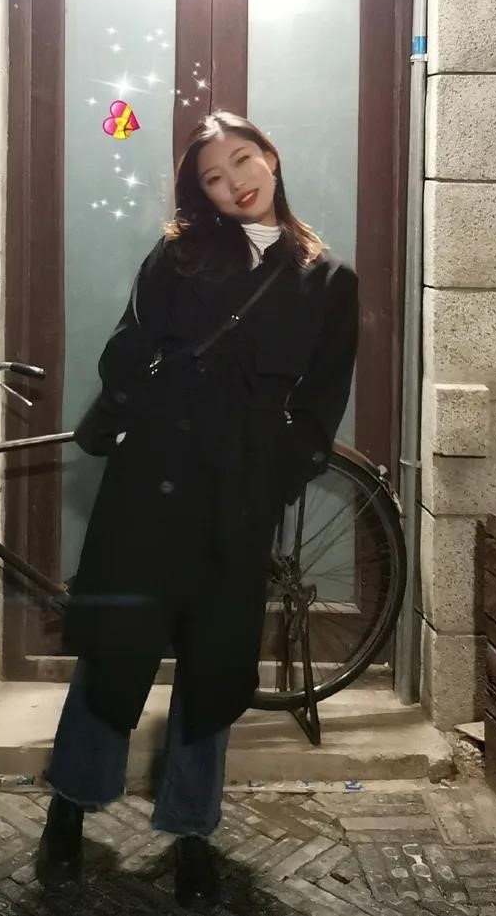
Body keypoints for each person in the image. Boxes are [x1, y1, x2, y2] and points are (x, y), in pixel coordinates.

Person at [36, 111, 360, 905]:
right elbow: (125, 349)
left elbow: (319, 410)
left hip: (236, 498)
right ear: (202, 193)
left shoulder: (327, 281)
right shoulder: (179, 255)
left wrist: (270, 480)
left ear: (271, 156)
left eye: (242, 161)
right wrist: (139, 393)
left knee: (213, 668)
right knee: (114, 651)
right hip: (149, 483)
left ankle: (191, 832)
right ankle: (68, 809)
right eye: (214, 177)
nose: (234, 183)